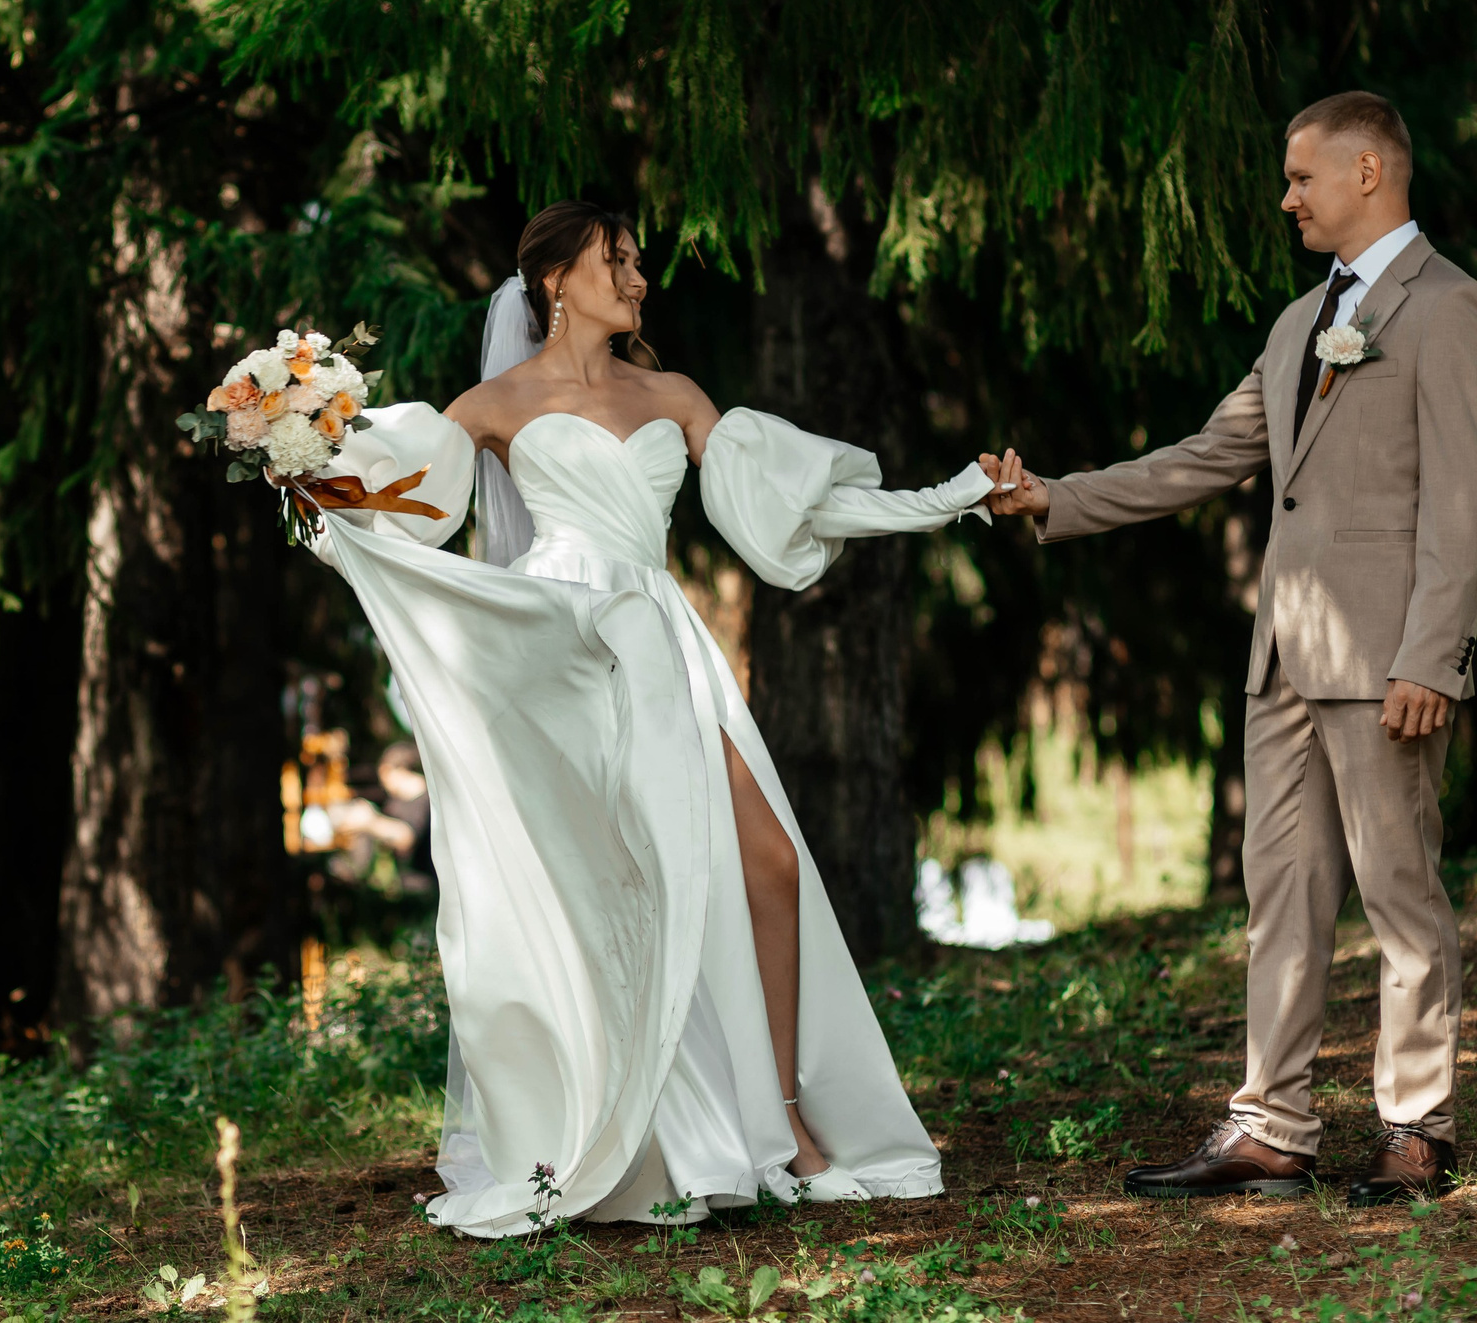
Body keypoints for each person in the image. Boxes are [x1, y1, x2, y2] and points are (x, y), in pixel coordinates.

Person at [291, 201, 1000, 1237]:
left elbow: (794, 506)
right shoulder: (492, 403)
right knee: (619, 886)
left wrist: (952, 496)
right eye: (616, 260)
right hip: (557, 647)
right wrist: (296, 456)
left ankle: (787, 1127)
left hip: (658, 638)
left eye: (635, 259)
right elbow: (397, 509)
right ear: (553, 282)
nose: (638, 275)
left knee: (765, 863)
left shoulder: (671, 394)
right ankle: (634, 1132)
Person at [983, 91, 1477, 1205]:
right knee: (1281, 897)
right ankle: (1272, 1125)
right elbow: (1204, 457)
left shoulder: (1451, 309)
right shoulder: (1294, 325)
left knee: (1398, 895)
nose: (1287, 198)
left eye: (1301, 177)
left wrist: (1431, 654)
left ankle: (1417, 1128)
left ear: (1368, 173)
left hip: (1385, 667)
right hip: (1282, 660)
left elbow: (1470, 496)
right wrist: (1052, 500)